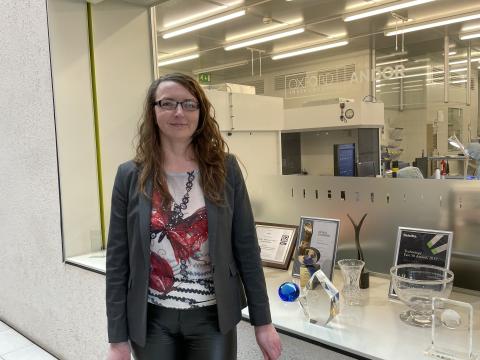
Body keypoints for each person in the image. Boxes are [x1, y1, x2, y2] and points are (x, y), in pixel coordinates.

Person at [106, 73, 282, 360]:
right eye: (168, 103)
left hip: (213, 319)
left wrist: (263, 322)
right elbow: (117, 261)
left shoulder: (225, 169)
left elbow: (247, 248)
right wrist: (116, 339)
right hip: (151, 321)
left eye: (189, 104)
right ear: (153, 111)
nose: (179, 112)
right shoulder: (130, 175)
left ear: (201, 112)